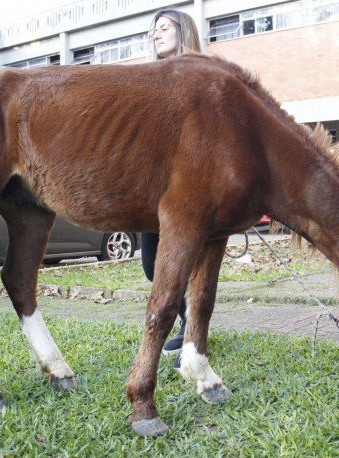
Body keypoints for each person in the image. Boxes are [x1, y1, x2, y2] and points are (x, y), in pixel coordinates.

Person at [143, 9, 202, 355]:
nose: (156, 34)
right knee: (151, 265)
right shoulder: (149, 77)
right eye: (154, 30)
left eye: (163, 28)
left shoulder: (200, 76)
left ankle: (193, 327)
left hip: (189, 186)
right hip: (152, 186)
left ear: (183, 31)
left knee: (195, 263)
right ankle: (186, 316)